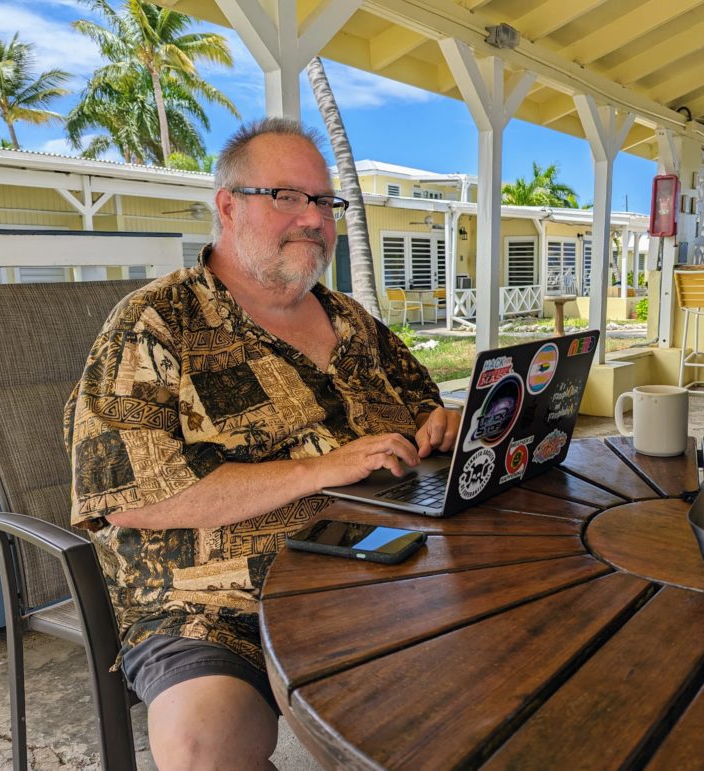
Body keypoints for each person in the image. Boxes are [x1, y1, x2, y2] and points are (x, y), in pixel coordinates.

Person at [64, 117, 461, 770]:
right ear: (227, 205)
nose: (313, 218)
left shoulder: (351, 321)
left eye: (325, 202)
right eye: (287, 197)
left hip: (380, 560)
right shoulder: (157, 323)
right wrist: (321, 467)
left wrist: (438, 421)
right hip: (217, 600)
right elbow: (134, 498)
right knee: (200, 743)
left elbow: (424, 405)